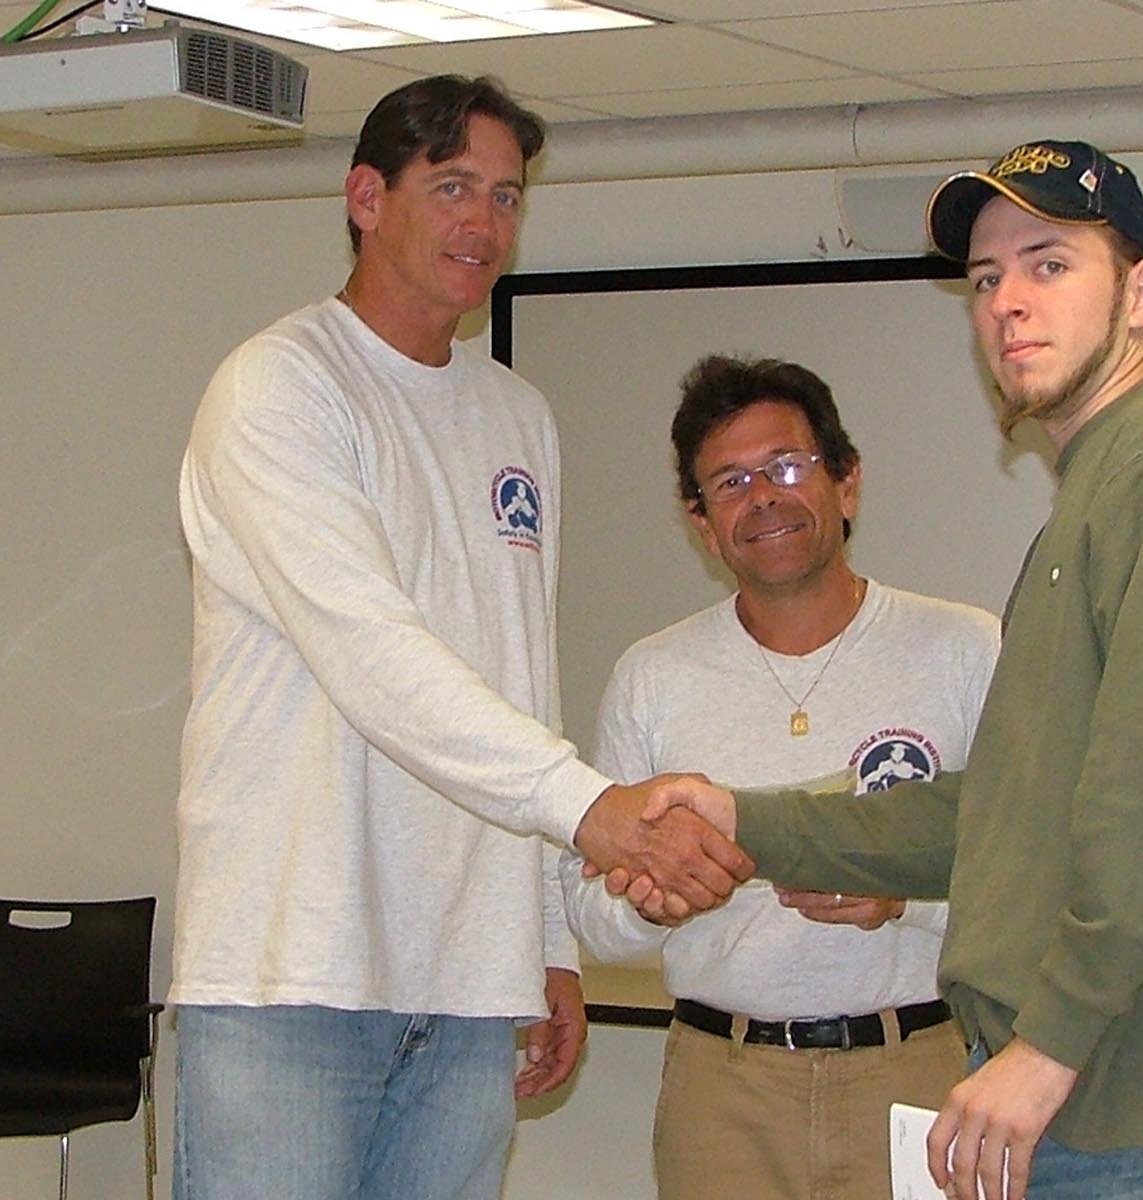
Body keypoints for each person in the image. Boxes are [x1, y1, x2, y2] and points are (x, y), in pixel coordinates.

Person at [625, 140, 1143, 1200]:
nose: (1007, 303)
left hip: (1125, 1113)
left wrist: (1048, 1048)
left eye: (1050, 264)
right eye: (986, 279)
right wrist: (741, 818)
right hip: (1077, 1107)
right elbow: (993, 814)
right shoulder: (1090, 502)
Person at [170, 74, 748, 1200]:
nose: (484, 222)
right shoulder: (279, 388)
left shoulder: (517, 416)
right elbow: (372, 654)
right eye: (451, 188)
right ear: (366, 199)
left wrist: (544, 944)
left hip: (472, 987)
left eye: (506, 196)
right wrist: (593, 809)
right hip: (292, 970)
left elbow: (519, 680)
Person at [561, 354, 1002, 1200]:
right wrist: (652, 899)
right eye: (729, 483)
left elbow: (1034, 878)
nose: (762, 497)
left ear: (847, 482)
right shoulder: (653, 676)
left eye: (787, 467)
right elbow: (593, 920)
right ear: (701, 523)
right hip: (723, 1091)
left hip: (920, 1069)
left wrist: (904, 900)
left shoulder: (966, 650)